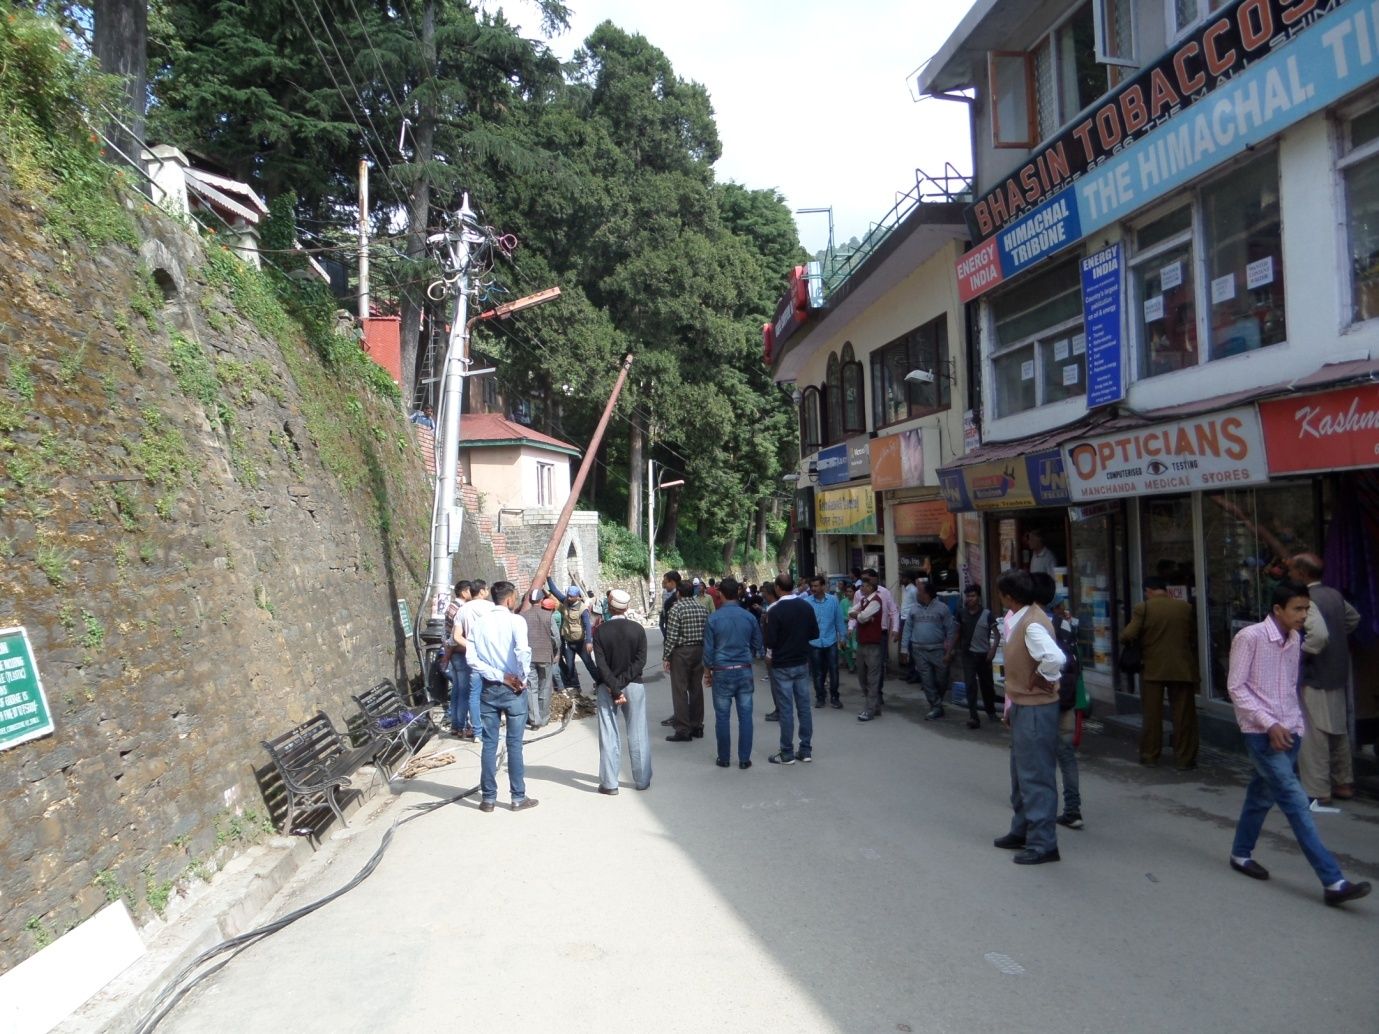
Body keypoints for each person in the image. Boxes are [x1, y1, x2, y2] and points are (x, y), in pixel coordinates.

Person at [1225, 581, 1370, 906]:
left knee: (1260, 797)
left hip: (1289, 732)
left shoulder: (1294, 641)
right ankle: (1333, 881)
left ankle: (1240, 854)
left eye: (1307, 609)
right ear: (1278, 610)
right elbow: (1236, 687)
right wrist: (1269, 723)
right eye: (1298, 609)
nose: (1304, 615)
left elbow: (1290, 688)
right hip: (1262, 734)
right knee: (1295, 801)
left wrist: (1295, 725)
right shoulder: (1249, 637)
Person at [992, 570, 1066, 865]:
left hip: (1036, 707)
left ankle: (1043, 843)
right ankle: (1022, 829)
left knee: (1035, 775)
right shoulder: (1021, 617)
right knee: (1020, 772)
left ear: (1008, 596)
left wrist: (1042, 677)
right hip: (1024, 705)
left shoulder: (1032, 624)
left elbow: (1056, 658)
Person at [1288, 553, 1362, 805]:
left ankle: (1319, 790)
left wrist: (1302, 651)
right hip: (1337, 672)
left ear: (1301, 573)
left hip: (1316, 674)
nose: (1290, 573)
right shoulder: (1334, 595)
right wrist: (1338, 638)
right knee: (1338, 730)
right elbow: (1353, 619)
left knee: (1314, 734)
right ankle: (1343, 782)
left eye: (1293, 569)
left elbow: (1318, 636)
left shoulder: (1307, 601)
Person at [469, 581, 538, 812]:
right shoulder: (516, 620)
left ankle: (488, 798)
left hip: (489, 688)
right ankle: (518, 797)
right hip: (514, 690)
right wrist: (520, 677)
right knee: (514, 744)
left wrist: (498, 675)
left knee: (489, 744)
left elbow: (472, 660)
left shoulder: (479, 624)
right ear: (509, 600)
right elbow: (522, 651)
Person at [1121, 576, 1199, 769]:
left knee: (1152, 715)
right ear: (1165, 589)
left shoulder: (1143, 608)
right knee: (1183, 715)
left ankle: (1150, 755)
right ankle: (1184, 759)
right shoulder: (1185, 607)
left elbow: (1128, 635)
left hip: (1152, 668)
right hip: (1182, 667)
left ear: (1148, 590)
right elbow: (1191, 635)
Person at [1032, 574, 1083, 832]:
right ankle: (1073, 810)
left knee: (1040, 755)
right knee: (1066, 755)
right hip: (1068, 696)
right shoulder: (1066, 625)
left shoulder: (1036, 626)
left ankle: (1041, 808)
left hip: (1046, 697)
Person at [592, 589, 651, 794]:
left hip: (607, 687)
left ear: (609, 607)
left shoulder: (600, 631)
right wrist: (623, 683)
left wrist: (615, 688)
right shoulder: (637, 629)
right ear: (626, 607)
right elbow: (640, 662)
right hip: (634, 685)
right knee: (638, 731)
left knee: (609, 733)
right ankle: (642, 779)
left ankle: (609, 784)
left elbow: (601, 664)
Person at [702, 577, 762, 769]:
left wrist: (707, 673)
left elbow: (708, 651)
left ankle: (724, 758)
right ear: (738, 593)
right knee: (745, 716)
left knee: (722, 717)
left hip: (722, 671)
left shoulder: (713, 619)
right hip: (744, 670)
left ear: (719, 594)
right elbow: (758, 644)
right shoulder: (749, 617)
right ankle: (744, 759)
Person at [764, 574, 819, 765]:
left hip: (782, 664)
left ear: (778, 588)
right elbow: (814, 633)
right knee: (804, 706)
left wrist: (771, 654)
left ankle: (787, 751)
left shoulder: (775, 611)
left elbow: (770, 641)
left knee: (786, 709)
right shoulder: (806, 606)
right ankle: (805, 749)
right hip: (801, 662)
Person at [903, 578, 956, 721]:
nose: (917, 594)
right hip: (918, 650)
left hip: (938, 650)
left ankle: (937, 701)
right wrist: (904, 649)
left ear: (927, 594)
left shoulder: (942, 608)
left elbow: (951, 630)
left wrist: (950, 650)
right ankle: (936, 706)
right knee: (926, 680)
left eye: (919, 592)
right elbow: (907, 628)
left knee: (942, 678)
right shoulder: (914, 609)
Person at [662, 581, 708, 742]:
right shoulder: (702, 608)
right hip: (699, 650)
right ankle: (697, 726)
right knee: (696, 688)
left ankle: (683, 729)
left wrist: (666, 656)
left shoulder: (676, 609)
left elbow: (672, 636)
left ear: (678, 593)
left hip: (681, 652)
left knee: (680, 690)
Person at [453, 580, 495, 743]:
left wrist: (472, 647)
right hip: (491, 657)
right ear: (483, 591)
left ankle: (477, 732)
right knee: (491, 693)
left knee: (474, 694)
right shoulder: (492, 608)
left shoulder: (463, 610)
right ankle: (490, 728)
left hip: (473, 659)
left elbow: (456, 637)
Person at [547, 577, 602, 692]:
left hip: (581, 642)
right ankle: (576, 688)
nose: (568, 598)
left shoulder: (583, 609)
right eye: (568, 595)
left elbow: (587, 625)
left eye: (571, 596)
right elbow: (555, 591)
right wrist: (548, 578)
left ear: (577, 597)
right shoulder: (565, 602)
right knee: (570, 666)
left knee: (589, 664)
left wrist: (588, 641)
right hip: (568, 642)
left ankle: (600, 683)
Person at [956, 584, 998, 729]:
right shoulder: (961, 613)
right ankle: (973, 716)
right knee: (970, 685)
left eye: (973, 596)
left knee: (987, 685)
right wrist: (950, 650)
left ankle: (991, 711)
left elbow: (996, 636)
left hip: (984, 655)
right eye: (968, 596)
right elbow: (958, 633)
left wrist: (992, 651)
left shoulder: (987, 614)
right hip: (968, 655)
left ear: (978, 597)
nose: (970, 599)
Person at [804, 575, 846, 709]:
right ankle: (820, 697)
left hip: (830, 641)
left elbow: (839, 620)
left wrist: (843, 637)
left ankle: (835, 697)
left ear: (823, 586)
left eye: (816, 586)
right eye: (812, 586)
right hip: (814, 643)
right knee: (817, 672)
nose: (813, 589)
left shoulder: (833, 600)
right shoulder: (807, 602)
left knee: (834, 670)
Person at [522, 585, 557, 729]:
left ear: (530, 600)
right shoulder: (548, 615)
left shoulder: (522, 616)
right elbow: (556, 637)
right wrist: (555, 651)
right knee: (545, 687)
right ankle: (544, 718)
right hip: (545, 656)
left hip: (529, 657)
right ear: (542, 600)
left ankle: (534, 720)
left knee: (531, 688)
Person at [852, 577, 886, 721]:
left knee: (872, 678)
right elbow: (852, 612)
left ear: (870, 587)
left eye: (864, 586)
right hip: (862, 643)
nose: (861, 588)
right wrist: (861, 616)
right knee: (862, 677)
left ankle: (870, 709)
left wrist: (861, 616)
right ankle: (875, 705)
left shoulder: (876, 601)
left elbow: (862, 617)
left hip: (873, 644)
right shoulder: (863, 601)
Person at [442, 580, 473, 737]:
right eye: (470, 591)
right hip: (460, 652)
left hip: (453, 653)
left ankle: (455, 724)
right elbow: (455, 637)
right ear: (464, 592)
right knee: (464, 691)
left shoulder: (451, 607)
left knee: (456, 690)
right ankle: (461, 725)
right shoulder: (460, 609)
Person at [659, 570, 681, 635]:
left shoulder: (673, 599)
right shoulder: (684, 594)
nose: (664, 586)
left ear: (672, 582)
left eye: (665, 583)